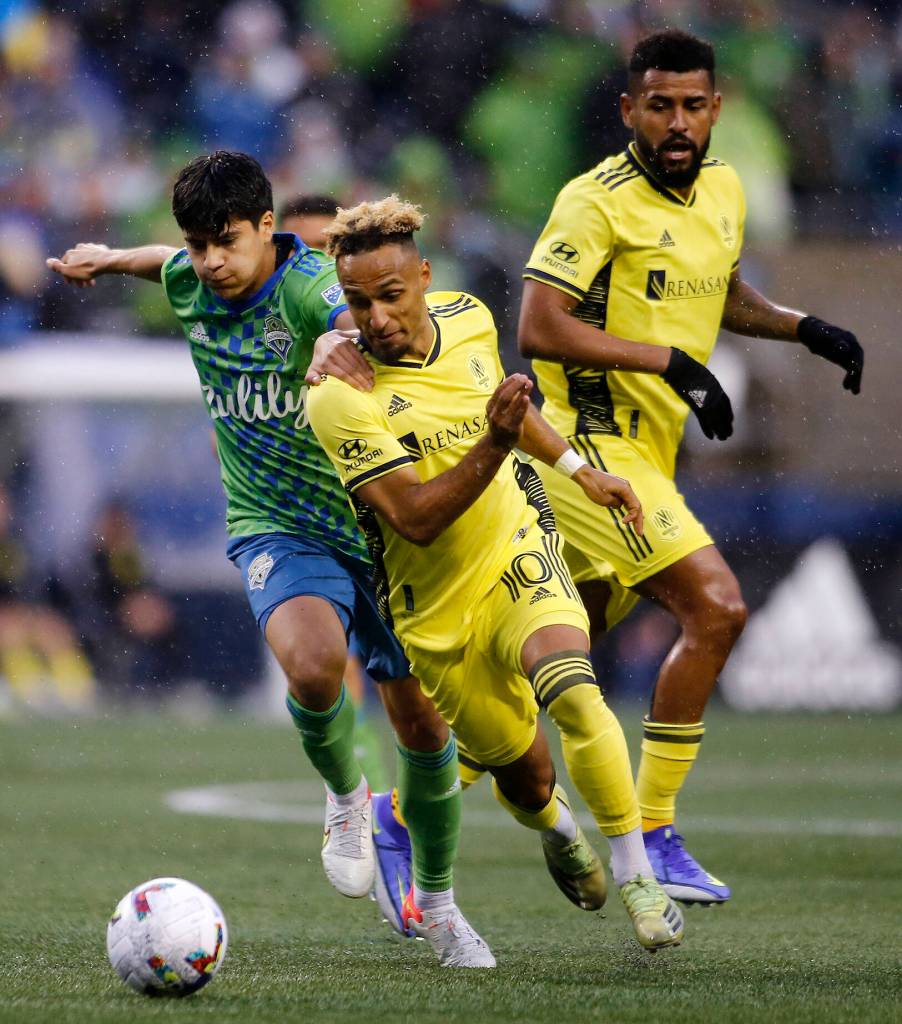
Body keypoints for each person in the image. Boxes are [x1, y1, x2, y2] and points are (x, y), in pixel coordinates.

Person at [46, 153, 472, 966]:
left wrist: (340, 343)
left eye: (226, 242)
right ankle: (348, 795)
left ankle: (443, 905)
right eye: (197, 244)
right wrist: (107, 259)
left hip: (376, 528)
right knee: (313, 667)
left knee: (424, 722)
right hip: (278, 524)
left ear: (269, 230)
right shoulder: (189, 280)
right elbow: (161, 265)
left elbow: (353, 320)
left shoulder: (309, 289)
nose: (210, 261)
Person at [518, 29, 863, 903]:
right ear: (629, 109)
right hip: (588, 449)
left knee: (548, 665)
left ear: (717, 109)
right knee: (717, 607)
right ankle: (657, 832)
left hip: (650, 454)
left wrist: (801, 327)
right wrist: (671, 364)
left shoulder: (724, 187)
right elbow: (539, 326)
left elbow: (716, 293)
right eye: (659, 105)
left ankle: (406, 814)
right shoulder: (593, 202)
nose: (678, 122)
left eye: (693, 105)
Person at [308, 195, 686, 956]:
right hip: (434, 611)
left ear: (423, 276)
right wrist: (494, 441)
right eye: (356, 302)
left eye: (390, 295)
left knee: (572, 684)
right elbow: (413, 517)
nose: (375, 316)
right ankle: (556, 826)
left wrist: (581, 472)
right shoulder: (338, 397)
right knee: (527, 778)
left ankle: (638, 875)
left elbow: (505, 404)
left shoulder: (471, 318)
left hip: (519, 544)